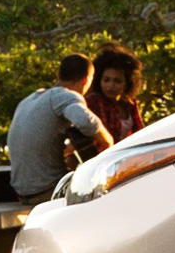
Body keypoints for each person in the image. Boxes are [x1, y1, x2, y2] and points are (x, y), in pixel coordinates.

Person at [6, 53, 114, 204]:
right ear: (86, 80)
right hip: (50, 191)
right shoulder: (64, 96)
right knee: (112, 191)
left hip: (22, 193)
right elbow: (84, 121)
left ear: (58, 74)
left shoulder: (28, 100)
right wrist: (108, 142)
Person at [85, 43, 146, 143]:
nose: (110, 86)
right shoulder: (93, 102)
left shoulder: (130, 103)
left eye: (117, 81)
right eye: (106, 80)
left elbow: (140, 132)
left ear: (127, 83)